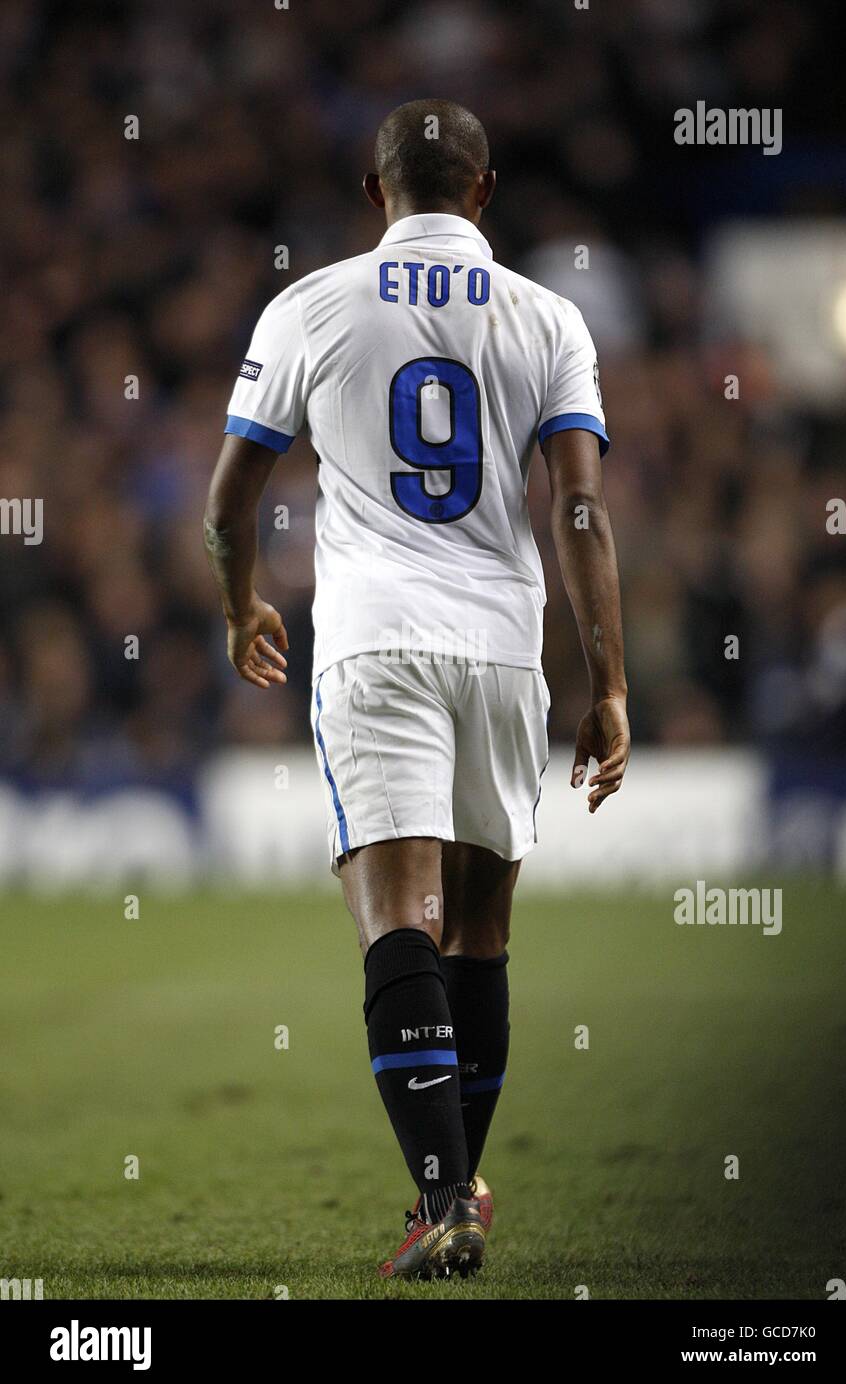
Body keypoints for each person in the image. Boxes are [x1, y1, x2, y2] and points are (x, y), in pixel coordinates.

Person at [204, 98, 630, 1280]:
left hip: (375, 639)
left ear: (372, 192)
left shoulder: (310, 304)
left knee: (400, 921)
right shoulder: (549, 318)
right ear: (484, 191)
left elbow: (228, 499)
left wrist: (241, 606)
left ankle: (444, 1196)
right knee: (480, 936)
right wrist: (612, 682)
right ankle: (449, 1195)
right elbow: (579, 507)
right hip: (503, 644)